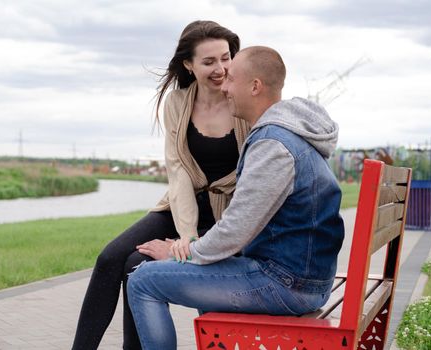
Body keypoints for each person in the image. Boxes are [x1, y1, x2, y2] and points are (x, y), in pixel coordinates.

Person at [127, 46, 345, 350]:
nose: (224, 87)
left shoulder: (273, 144)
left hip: (286, 284)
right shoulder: (289, 135)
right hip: (302, 277)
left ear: (254, 87)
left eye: (230, 79)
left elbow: (235, 231)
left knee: (144, 280)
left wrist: (182, 252)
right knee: (209, 276)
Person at [71, 20, 249, 350]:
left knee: (135, 267)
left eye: (225, 58)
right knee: (110, 259)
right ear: (189, 65)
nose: (220, 68)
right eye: (208, 62)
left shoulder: (244, 103)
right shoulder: (177, 103)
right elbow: (179, 172)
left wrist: (196, 249)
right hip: (182, 207)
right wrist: (188, 236)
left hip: (229, 215)